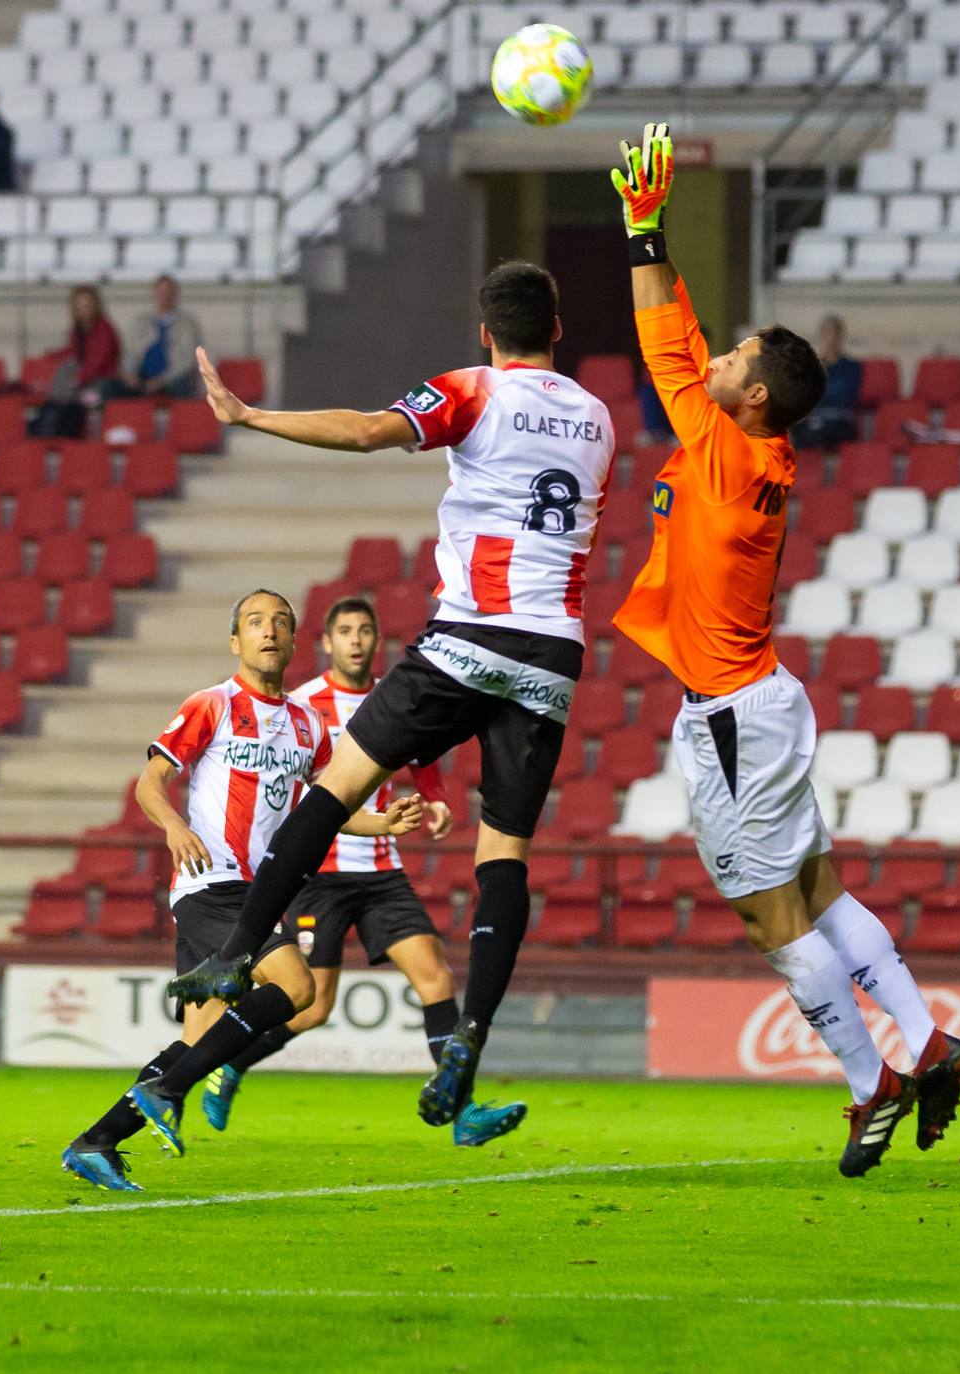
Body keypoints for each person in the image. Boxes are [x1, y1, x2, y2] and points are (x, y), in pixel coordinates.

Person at [158, 258, 615, 1143]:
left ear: (486, 332)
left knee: (331, 788)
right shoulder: (596, 416)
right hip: (553, 651)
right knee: (504, 856)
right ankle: (469, 1045)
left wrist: (251, 415)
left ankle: (233, 955)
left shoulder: (472, 390)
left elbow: (370, 430)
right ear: (557, 331)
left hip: (470, 634)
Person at [610, 123, 960, 1177]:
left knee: (770, 917)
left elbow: (664, 344)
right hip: (760, 700)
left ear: (753, 395)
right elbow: (681, 346)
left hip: (729, 714)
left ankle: (870, 1083)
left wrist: (644, 229)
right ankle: (924, 1034)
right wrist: (646, 236)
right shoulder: (751, 450)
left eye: (733, 359)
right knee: (815, 889)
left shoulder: (723, 450)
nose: (714, 360)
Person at [60, 590, 427, 1191]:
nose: (269, 631)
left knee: (200, 1037)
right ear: (236, 640)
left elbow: (331, 806)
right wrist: (175, 826)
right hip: (211, 883)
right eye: (255, 622)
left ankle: (96, 1142)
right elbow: (149, 783)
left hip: (257, 896)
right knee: (299, 986)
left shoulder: (310, 724)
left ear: (292, 641)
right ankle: (169, 1091)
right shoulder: (212, 704)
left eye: (281, 622)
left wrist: (381, 822)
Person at [195, 597, 527, 1147]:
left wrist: (434, 798)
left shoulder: (392, 698)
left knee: (437, 977)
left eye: (364, 631)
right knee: (313, 1005)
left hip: (380, 872)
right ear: (326, 642)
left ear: (377, 641)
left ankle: (462, 1112)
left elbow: (421, 755)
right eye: (344, 631)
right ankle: (227, 1063)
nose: (355, 640)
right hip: (320, 873)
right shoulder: (303, 704)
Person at [118, 275, 206, 399]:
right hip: (143, 376)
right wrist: (130, 373)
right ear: (154, 294)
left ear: (176, 295)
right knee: (113, 387)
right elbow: (131, 352)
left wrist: (162, 380)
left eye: (169, 292)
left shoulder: (187, 323)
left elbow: (187, 360)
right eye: (161, 292)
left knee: (182, 383)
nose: (165, 296)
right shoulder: (142, 322)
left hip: (173, 379)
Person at [42, 286, 123, 418]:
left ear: (95, 305)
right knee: (64, 371)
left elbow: (99, 360)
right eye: (79, 306)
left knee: (78, 398)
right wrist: (51, 355)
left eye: (86, 305)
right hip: (84, 384)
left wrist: (80, 378)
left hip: (103, 384)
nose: (83, 310)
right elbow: (73, 352)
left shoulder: (104, 329)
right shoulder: (77, 331)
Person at [791, 314, 861, 450]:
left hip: (840, 422)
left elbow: (846, 396)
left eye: (833, 332)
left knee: (819, 431)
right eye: (826, 332)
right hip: (816, 420)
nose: (829, 337)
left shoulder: (852, 367)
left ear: (840, 336)